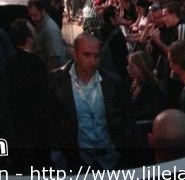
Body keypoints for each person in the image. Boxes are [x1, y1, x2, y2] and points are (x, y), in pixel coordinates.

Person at [47, 33, 131, 169]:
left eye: (96, 55)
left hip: (111, 158)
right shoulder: (57, 82)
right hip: (76, 161)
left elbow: (126, 116)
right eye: (86, 55)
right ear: (74, 54)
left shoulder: (113, 82)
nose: (92, 61)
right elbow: (50, 117)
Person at [4, 18, 49, 171]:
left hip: (18, 123)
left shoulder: (9, 63)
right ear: (29, 39)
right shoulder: (37, 64)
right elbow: (44, 96)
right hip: (37, 125)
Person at [27, 0, 67, 71]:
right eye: (31, 16)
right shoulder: (41, 26)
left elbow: (54, 59)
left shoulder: (50, 31)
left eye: (35, 15)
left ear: (43, 12)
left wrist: (46, 77)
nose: (32, 18)